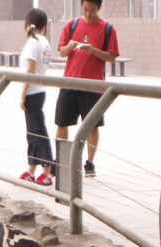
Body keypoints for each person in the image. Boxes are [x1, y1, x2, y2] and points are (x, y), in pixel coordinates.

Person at [54, 0, 119, 178]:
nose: (88, 13)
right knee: (62, 122)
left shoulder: (108, 29)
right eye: (85, 9)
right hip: (70, 83)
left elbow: (112, 57)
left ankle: (89, 162)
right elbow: (61, 52)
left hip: (93, 86)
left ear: (99, 8)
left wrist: (93, 51)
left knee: (92, 125)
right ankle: (61, 161)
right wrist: (70, 46)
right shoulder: (72, 24)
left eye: (92, 10)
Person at [18, 9, 54, 186]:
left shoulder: (33, 42)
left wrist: (23, 94)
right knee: (32, 132)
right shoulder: (44, 41)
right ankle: (31, 170)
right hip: (39, 91)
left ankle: (47, 171)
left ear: (28, 23)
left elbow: (30, 71)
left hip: (33, 91)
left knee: (38, 132)